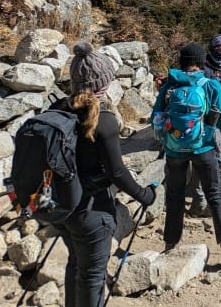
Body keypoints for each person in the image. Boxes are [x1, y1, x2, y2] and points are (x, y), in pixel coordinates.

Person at [59, 42, 157, 306]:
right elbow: (117, 171)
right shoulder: (104, 120)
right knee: (92, 274)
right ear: (105, 82)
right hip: (92, 209)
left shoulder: (58, 109)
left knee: (76, 263)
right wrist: (145, 195)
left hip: (61, 205)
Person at [153, 42, 221, 264]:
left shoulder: (170, 85)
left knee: (175, 195)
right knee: (214, 194)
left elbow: (157, 115)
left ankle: (171, 243)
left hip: (174, 149)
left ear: (181, 63)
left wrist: (165, 138)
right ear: (201, 63)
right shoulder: (210, 85)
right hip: (203, 148)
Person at [189, 34, 221, 215]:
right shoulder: (206, 71)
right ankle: (209, 202)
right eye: (218, 48)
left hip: (206, 122)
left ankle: (202, 202)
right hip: (207, 123)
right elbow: (216, 100)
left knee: (207, 161)